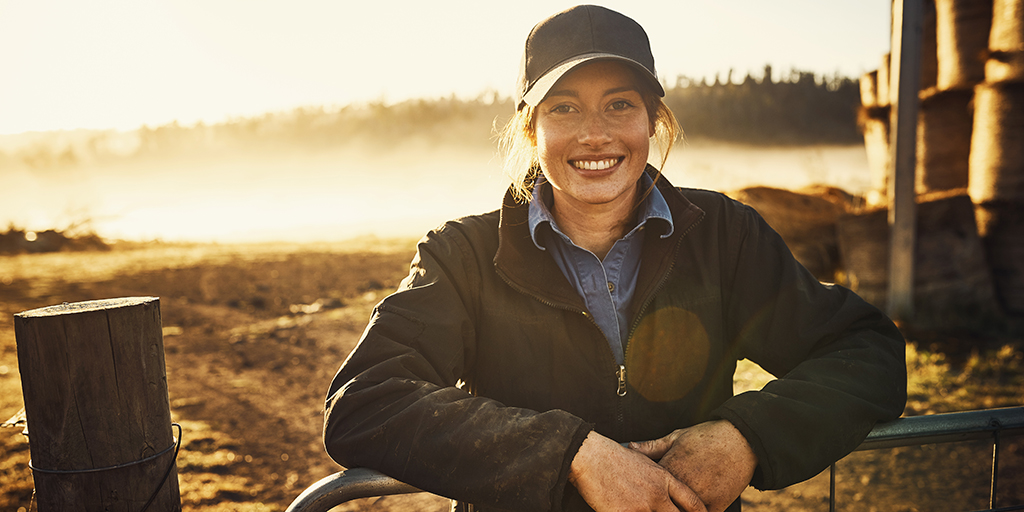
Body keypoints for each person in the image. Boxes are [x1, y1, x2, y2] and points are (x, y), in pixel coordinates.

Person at [323, 5, 907, 512]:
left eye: (620, 105)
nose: (595, 135)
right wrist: (570, 454)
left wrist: (745, 435)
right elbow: (366, 401)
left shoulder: (724, 236)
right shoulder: (464, 256)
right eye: (565, 109)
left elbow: (866, 351)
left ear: (654, 119)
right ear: (531, 128)